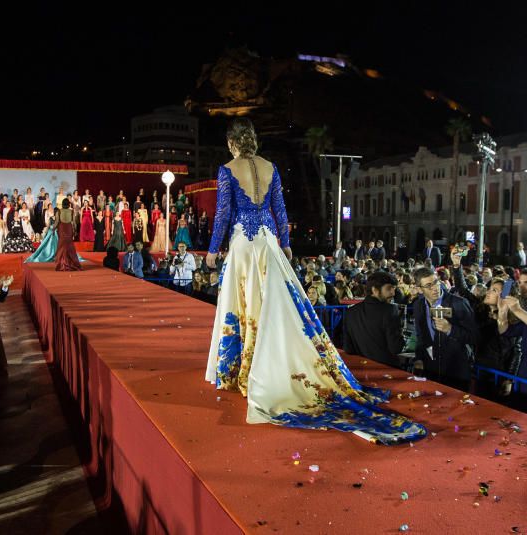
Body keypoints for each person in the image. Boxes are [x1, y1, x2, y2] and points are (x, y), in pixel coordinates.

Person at [203, 118, 424, 443]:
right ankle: (264, 363)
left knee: (244, 305)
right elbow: (279, 208)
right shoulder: (270, 167)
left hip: (243, 246)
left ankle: (243, 370)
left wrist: (212, 250)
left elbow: (223, 213)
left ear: (232, 142)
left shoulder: (227, 170)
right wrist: (287, 244)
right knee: (273, 307)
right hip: (268, 245)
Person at [410, 267, 479, 388]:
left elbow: (475, 337)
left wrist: (450, 329)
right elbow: (421, 336)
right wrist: (419, 358)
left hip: (456, 372)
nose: (435, 288)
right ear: (419, 290)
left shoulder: (459, 303)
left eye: (436, 282)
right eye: (428, 285)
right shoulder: (418, 306)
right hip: (431, 370)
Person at [339, 272, 405, 368]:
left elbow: (348, 348)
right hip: (387, 371)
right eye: (389, 288)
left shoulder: (351, 312)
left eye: (394, 289)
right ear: (375, 290)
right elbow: (396, 348)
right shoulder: (389, 310)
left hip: (361, 370)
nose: (393, 293)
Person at [54, 199, 82, 271]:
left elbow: (56, 222)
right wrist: (75, 231)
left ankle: (61, 265)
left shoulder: (59, 211)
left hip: (62, 229)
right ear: (69, 204)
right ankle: (71, 264)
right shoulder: (72, 211)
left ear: (62, 204)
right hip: (69, 229)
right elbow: (74, 223)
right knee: (70, 247)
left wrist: (52, 229)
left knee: (61, 247)